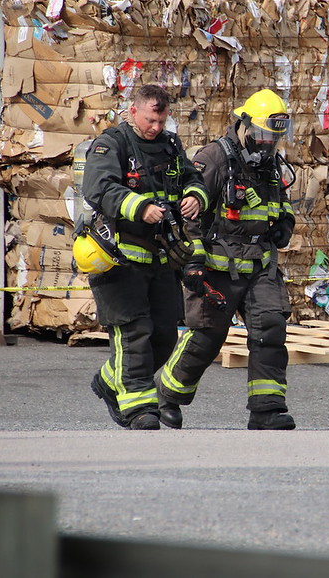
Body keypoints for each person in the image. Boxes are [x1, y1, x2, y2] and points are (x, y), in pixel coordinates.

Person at [155, 89, 298, 430]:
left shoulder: (271, 162)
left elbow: (281, 200)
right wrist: (193, 261)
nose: (268, 143)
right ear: (244, 125)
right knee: (206, 337)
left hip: (260, 263)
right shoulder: (215, 158)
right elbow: (188, 213)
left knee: (270, 329)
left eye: (274, 137)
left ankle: (267, 410)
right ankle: (167, 396)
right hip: (217, 266)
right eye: (263, 135)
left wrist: (286, 223)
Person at [83, 84, 209, 430]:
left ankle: (111, 381)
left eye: (161, 120)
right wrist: (139, 207)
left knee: (165, 335)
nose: (155, 127)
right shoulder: (111, 143)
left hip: (161, 259)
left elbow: (192, 177)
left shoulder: (169, 145)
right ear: (133, 112)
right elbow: (98, 188)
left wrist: (196, 197)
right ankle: (139, 408)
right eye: (150, 120)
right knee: (134, 333)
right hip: (120, 258)